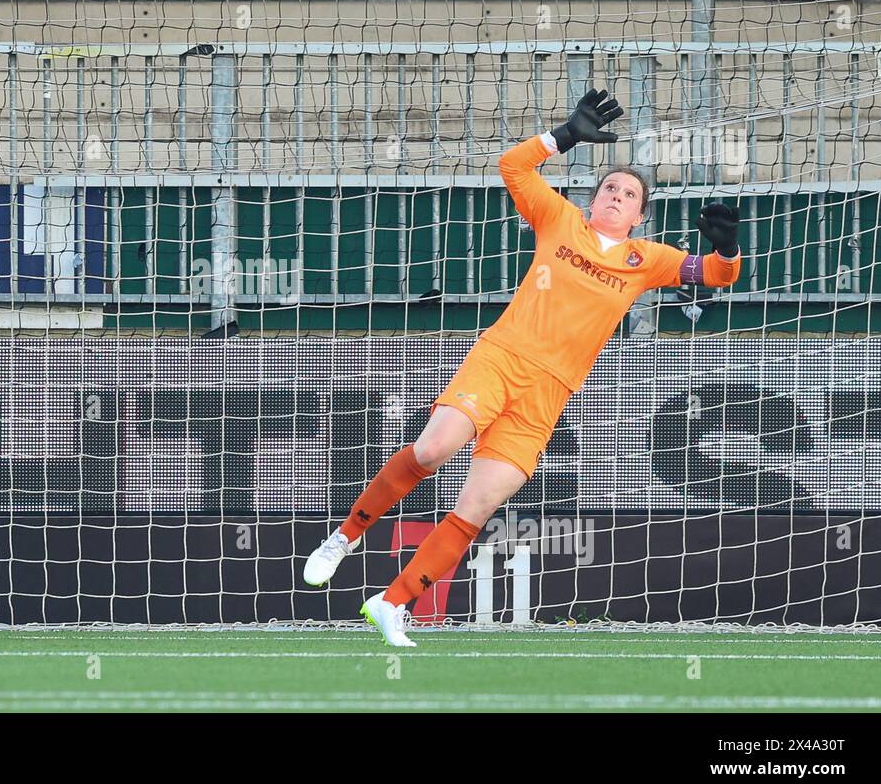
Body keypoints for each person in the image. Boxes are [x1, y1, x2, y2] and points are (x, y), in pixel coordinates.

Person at [303, 89, 742, 646]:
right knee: (434, 450)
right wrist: (564, 135)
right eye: (609, 186)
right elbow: (512, 165)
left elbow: (719, 276)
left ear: (640, 214)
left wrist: (727, 249)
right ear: (592, 199)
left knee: (479, 503)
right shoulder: (559, 220)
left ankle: (392, 604)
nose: (616, 195)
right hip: (503, 359)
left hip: (549, 392)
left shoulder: (645, 260)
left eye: (629, 193)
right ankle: (344, 537)